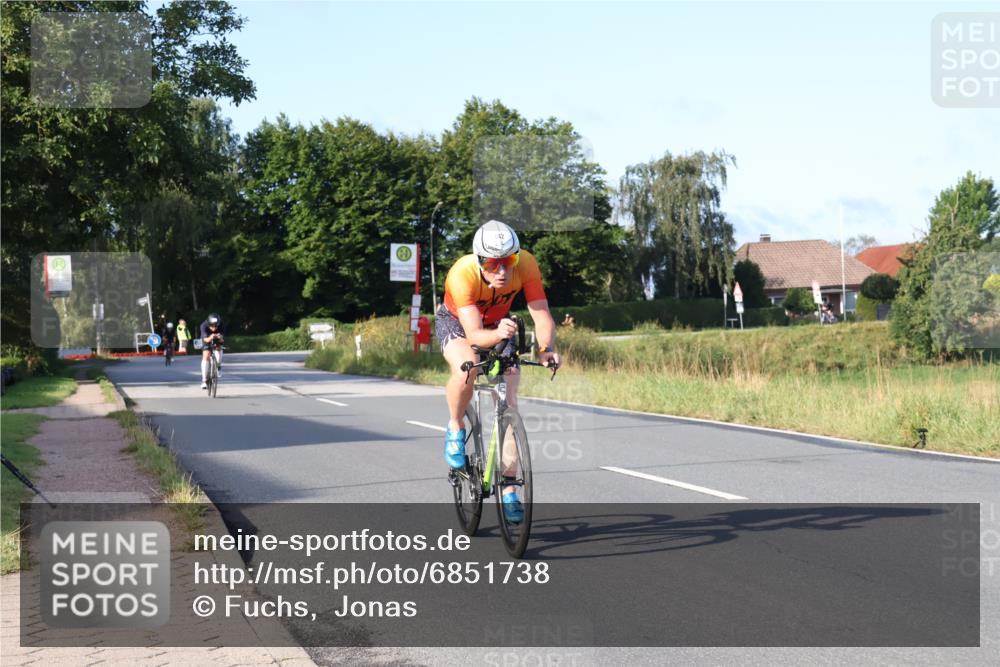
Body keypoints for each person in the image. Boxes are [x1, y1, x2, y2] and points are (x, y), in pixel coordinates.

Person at [436, 220, 561, 523]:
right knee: (467, 369)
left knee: (508, 406)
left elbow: (541, 312)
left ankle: (509, 490)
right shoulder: (461, 275)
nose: (503, 271)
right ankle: (455, 426)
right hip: (459, 324)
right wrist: (498, 334)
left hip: (500, 325)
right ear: (479, 261)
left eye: (509, 262)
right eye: (493, 264)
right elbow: (476, 334)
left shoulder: (527, 264)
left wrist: (545, 349)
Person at [199, 313, 225, 389]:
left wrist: (220, 338)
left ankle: (218, 366)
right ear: (208, 324)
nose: (214, 328)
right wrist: (210, 337)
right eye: (212, 326)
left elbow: (222, 339)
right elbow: (205, 339)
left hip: (217, 339)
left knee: (219, 349)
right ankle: (204, 380)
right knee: (206, 355)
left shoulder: (222, 325)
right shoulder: (203, 325)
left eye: (216, 326)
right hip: (207, 339)